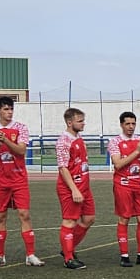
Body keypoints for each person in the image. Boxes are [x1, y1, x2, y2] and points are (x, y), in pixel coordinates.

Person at [0, 95, 44, 267]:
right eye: (6, 109)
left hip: (18, 179)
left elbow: (21, 151)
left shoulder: (21, 128)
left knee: (24, 214)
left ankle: (30, 255)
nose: (9, 112)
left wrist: (6, 140)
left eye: (11, 109)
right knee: (0, 216)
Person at [110, 111, 140, 267]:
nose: (131, 127)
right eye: (128, 124)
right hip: (123, 185)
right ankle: (124, 256)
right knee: (124, 218)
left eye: (133, 124)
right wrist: (137, 150)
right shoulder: (115, 142)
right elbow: (118, 164)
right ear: (122, 125)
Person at [54, 107, 96, 268]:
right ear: (70, 122)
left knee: (89, 218)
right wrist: (74, 189)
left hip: (84, 186)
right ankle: (68, 258)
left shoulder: (78, 137)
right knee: (70, 221)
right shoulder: (64, 141)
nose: (83, 123)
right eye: (80, 121)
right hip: (71, 188)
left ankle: (68, 249)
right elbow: (63, 168)